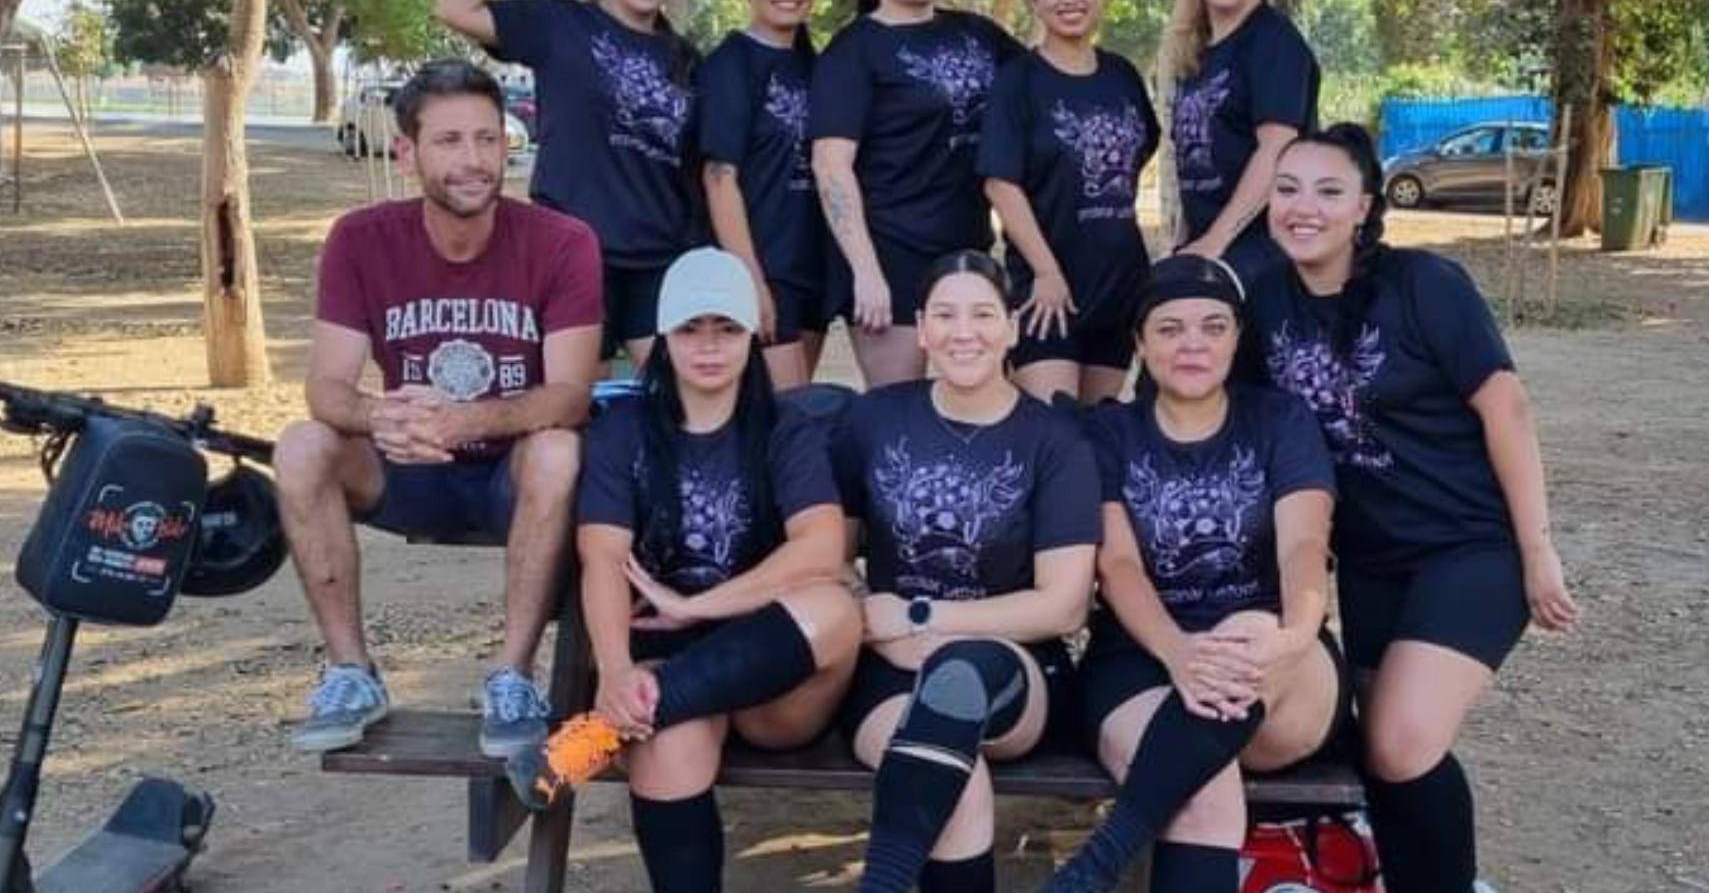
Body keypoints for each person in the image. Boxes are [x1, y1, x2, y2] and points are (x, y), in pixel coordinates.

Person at [1251, 123, 1581, 893]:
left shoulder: (1425, 285)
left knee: (1401, 741)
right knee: (1385, 750)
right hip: (1371, 561)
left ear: (1365, 206)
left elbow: (1507, 409)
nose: (1306, 208)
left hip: (1470, 548)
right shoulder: (1266, 301)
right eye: (1288, 188)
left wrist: (1537, 550)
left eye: (1329, 192)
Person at [274, 60, 602, 758]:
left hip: (505, 479)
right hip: (404, 465)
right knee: (303, 445)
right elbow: (326, 388)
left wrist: (469, 420)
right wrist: (383, 416)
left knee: (558, 448)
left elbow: (570, 395)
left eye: (488, 139)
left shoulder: (562, 242)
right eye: (449, 141)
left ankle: (512, 676)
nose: (473, 160)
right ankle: (351, 670)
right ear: (406, 152)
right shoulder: (361, 239)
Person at [532, 246, 861, 892]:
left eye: (726, 329)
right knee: (664, 743)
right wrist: (619, 670)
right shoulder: (623, 430)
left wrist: (698, 606)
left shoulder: (784, 426)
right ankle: (638, 711)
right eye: (690, 329)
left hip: (776, 677)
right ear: (663, 336)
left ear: (751, 336)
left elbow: (822, 547)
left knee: (836, 607)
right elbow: (602, 555)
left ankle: (598, 734)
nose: (709, 347)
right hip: (662, 664)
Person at [1044, 253, 1347, 892]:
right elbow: (1118, 564)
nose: (1192, 345)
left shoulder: (1280, 421)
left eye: (1213, 327)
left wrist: (1293, 636)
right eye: (1170, 328)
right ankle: (1099, 866)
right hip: (1141, 656)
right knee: (1204, 792)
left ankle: (1103, 859)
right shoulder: (1108, 433)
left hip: (1278, 665)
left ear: (1238, 337)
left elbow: (1303, 546)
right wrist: (1178, 651)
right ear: (1139, 342)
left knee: (1242, 634)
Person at [829, 251, 1099, 892]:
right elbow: (829, 556)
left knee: (960, 673)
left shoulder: (1054, 440)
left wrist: (921, 616)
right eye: (945, 315)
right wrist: (863, 605)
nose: (963, 332)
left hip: (1017, 671)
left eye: (982, 314)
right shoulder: (873, 420)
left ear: (1010, 327)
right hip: (890, 670)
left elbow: (1062, 606)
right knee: (957, 784)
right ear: (920, 329)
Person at [436, 0, 700, 368]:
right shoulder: (561, 25)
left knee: (678, 408)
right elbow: (455, 7)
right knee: (571, 411)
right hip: (574, 255)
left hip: (660, 264)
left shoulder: (685, 60)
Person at [812, 0, 1025, 386]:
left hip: (968, 248)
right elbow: (831, 165)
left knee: (984, 403)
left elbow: (1040, 90)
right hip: (890, 252)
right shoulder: (854, 50)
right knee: (898, 412)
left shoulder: (979, 34)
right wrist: (865, 272)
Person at [979, 0, 1158, 405]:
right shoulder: (1018, 81)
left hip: (1119, 282)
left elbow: (1141, 150)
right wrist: (1046, 272)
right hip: (1046, 291)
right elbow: (1000, 184)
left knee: (1098, 429)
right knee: (1054, 431)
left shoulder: (1122, 76)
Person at [697, 0, 835, 390]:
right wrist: (750, 283)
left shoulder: (818, 65)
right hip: (764, 267)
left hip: (812, 270)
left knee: (797, 413)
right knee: (787, 416)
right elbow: (718, 178)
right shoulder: (729, 65)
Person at [1167, 0, 1320, 292]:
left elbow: (1275, 152)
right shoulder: (1197, 53)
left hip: (1263, 250)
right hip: (1215, 243)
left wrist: (1215, 243)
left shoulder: (1272, 40)